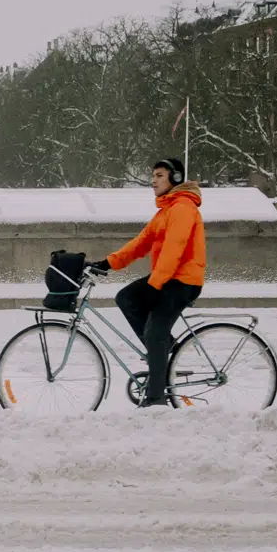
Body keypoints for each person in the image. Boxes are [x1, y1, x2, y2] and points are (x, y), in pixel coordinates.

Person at [88, 158, 206, 408]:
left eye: (159, 175)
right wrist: (107, 263)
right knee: (126, 298)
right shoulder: (166, 211)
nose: (153, 181)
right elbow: (140, 244)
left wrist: (155, 285)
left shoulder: (183, 207)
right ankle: (162, 352)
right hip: (168, 278)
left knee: (154, 330)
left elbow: (174, 250)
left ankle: (155, 400)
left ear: (175, 178)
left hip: (183, 281)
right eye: (153, 175)